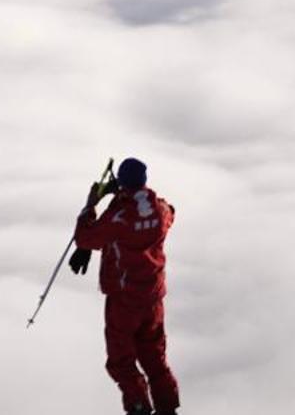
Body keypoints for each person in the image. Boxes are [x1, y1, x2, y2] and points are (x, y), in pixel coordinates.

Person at [69, 157, 179, 415]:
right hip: (153, 299)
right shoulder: (160, 210)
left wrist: (91, 204)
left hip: (124, 302)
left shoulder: (119, 218)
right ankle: (168, 409)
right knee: (154, 359)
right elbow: (170, 211)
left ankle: (139, 408)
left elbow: (85, 237)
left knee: (121, 362)